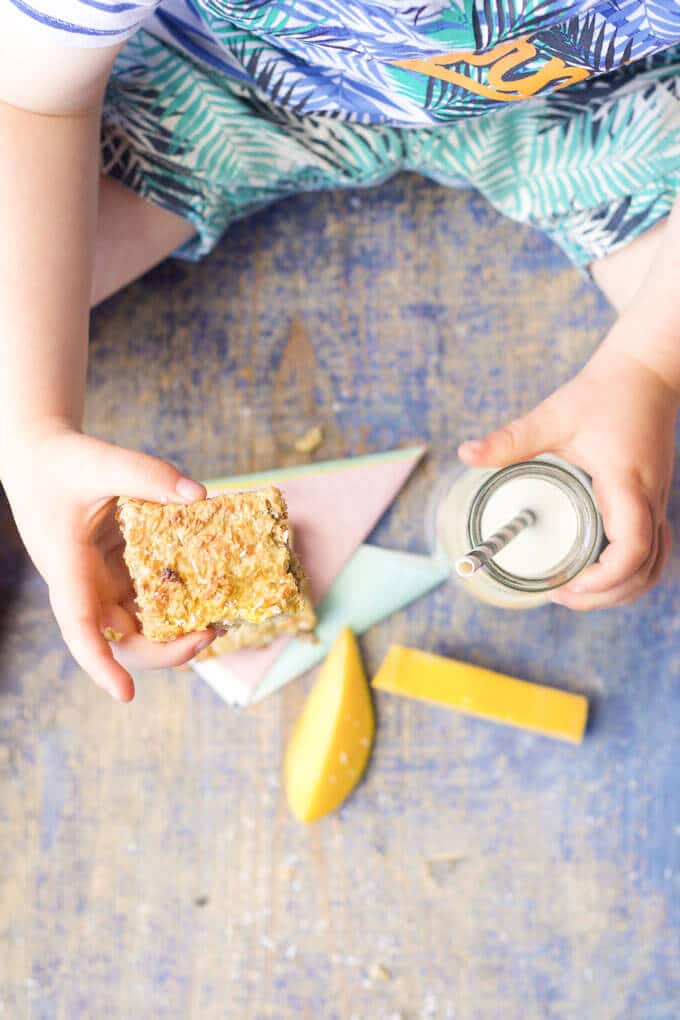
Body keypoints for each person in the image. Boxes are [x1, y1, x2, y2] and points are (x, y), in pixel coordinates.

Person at [0, 0, 678, 702]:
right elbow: (32, 100)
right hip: (220, 88)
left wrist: (649, 361)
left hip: (591, 97)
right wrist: (29, 428)